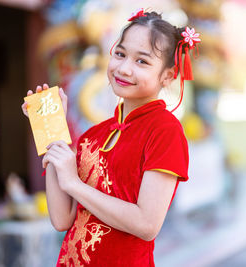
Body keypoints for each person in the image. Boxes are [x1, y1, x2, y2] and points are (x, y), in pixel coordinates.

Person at [21, 9, 200, 267]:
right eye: (120, 54)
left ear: (168, 76)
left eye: (142, 61)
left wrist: (74, 183)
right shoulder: (94, 135)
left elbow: (147, 224)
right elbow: (62, 219)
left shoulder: (164, 130)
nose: (124, 68)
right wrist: (52, 130)